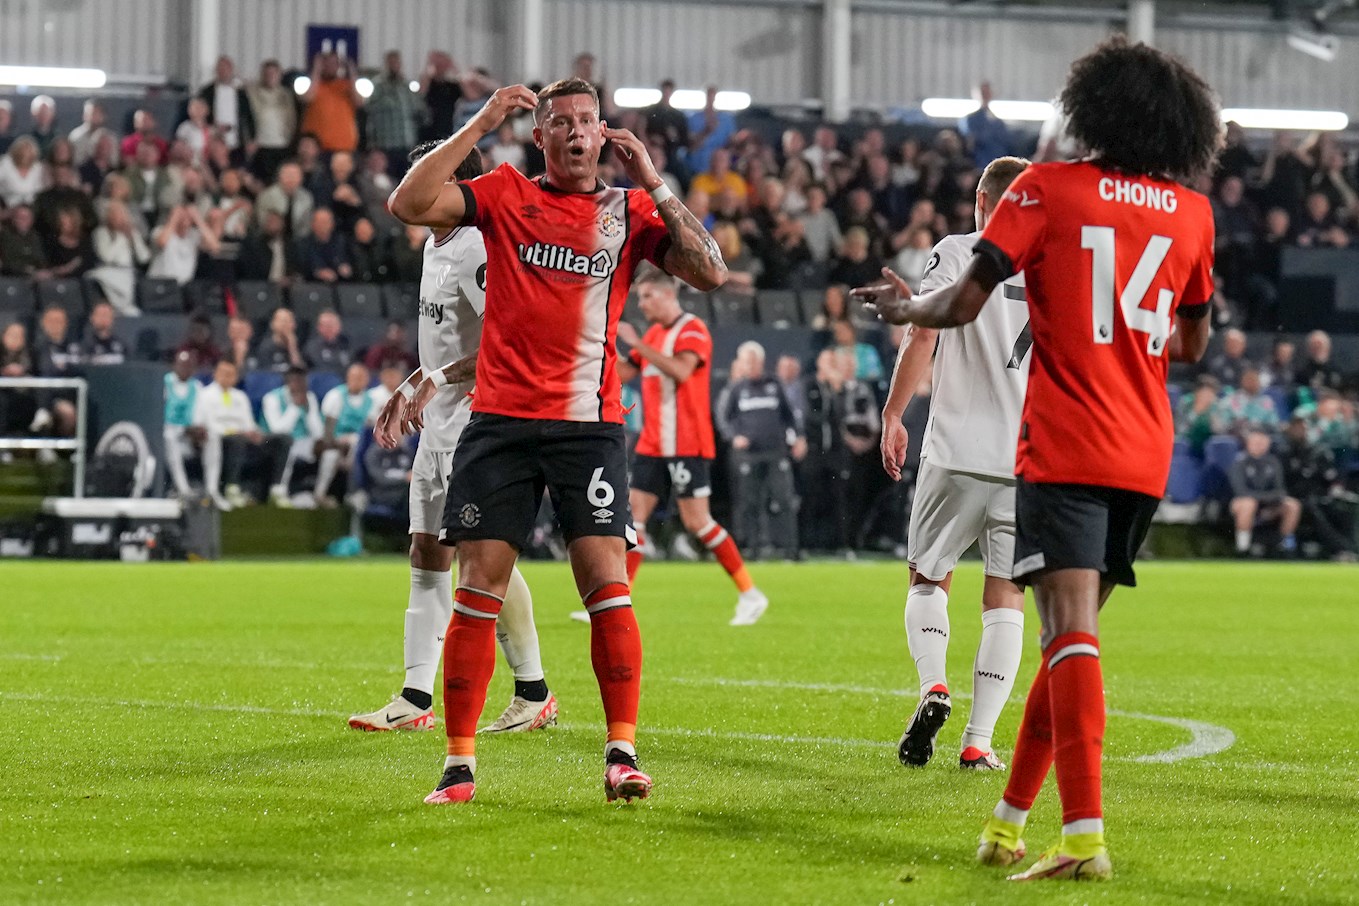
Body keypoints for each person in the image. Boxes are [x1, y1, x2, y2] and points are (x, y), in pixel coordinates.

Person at [852, 38, 1221, 881]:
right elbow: (1193, 341)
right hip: (1143, 447)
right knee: (1068, 644)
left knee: (1069, 640)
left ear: (1093, 110)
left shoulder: (1043, 189)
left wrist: (906, 306)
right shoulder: (1191, 213)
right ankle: (1008, 823)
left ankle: (1083, 835)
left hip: (1063, 442)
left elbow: (962, 301)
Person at [388, 77, 726, 805]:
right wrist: (481, 121)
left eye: (587, 122)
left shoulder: (628, 209)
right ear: (540, 135)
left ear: (604, 135)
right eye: (561, 122)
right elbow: (409, 204)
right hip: (501, 424)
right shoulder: (507, 193)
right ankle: (457, 765)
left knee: (606, 588)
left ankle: (622, 753)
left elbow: (710, 271)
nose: (576, 132)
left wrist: (656, 182)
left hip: (587, 427)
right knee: (477, 587)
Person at [356, 141, 557, 737]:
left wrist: (438, 379)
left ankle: (533, 691)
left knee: (479, 559)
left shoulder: (476, 249)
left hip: (476, 423)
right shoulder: (432, 244)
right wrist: (410, 383)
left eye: (431, 180)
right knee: (426, 553)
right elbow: (441, 343)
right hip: (435, 421)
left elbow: (506, 340)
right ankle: (416, 696)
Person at [877, 155, 1031, 773]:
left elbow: (924, 333)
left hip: (958, 451)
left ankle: (933, 686)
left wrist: (893, 413)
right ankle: (980, 740)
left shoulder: (960, 250)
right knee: (1007, 596)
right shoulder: (1055, 265)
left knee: (928, 577)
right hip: (1026, 458)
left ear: (982, 203)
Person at [612, 267, 769, 625]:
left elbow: (681, 371)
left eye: (647, 295)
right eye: (639, 297)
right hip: (653, 441)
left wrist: (636, 343)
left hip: (686, 442)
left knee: (698, 521)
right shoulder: (653, 334)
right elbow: (625, 373)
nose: (642, 303)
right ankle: (618, 601)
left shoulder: (693, 330)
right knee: (634, 517)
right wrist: (603, 350)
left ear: (669, 295)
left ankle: (750, 593)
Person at [720, 341, 805, 560]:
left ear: (760, 361)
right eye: (746, 361)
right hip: (749, 454)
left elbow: (789, 416)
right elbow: (725, 419)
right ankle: (752, 549)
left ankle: (790, 550)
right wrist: (734, 437)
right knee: (750, 502)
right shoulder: (738, 389)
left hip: (775, 452)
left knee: (784, 499)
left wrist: (798, 437)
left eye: (752, 360)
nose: (750, 365)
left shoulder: (775, 385)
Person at [190, 358, 264, 510]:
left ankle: (274, 490)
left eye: (231, 374)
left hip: (241, 435)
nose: (227, 377)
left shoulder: (240, 396)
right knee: (237, 440)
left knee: (279, 440)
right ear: (215, 374)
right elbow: (204, 422)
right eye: (224, 373)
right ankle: (232, 488)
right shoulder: (205, 395)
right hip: (218, 437)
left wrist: (253, 431)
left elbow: (248, 422)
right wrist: (234, 431)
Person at [1230, 428, 1301, 557]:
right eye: (1256, 442)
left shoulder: (1273, 462)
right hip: (1242, 504)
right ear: (1248, 443)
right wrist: (1262, 499)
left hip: (1269, 505)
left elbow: (1280, 490)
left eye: (1263, 442)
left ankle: (1285, 546)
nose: (1260, 445)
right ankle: (1243, 549)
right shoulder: (1239, 462)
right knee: (1248, 504)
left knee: (1292, 505)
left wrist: (1268, 501)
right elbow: (1241, 491)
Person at [258, 366, 323, 505]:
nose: (299, 385)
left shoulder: (310, 398)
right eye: (296, 381)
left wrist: (308, 411)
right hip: (274, 443)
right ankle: (279, 491)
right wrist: (294, 407)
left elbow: (318, 433)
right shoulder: (271, 398)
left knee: (326, 448)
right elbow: (278, 429)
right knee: (288, 445)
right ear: (288, 381)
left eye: (302, 381)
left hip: (303, 442)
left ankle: (319, 494)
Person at [314, 362, 373, 507]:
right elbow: (327, 429)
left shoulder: (371, 400)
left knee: (357, 446)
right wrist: (338, 442)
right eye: (353, 377)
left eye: (360, 377)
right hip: (334, 441)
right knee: (330, 456)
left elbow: (370, 427)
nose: (356, 381)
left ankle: (353, 494)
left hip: (357, 445)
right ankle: (320, 494)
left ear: (367, 380)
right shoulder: (335, 396)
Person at [163, 351, 200, 498]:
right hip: (166, 433)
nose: (185, 369)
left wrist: (197, 428)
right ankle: (183, 488)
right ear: (174, 366)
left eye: (189, 366)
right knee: (170, 437)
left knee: (211, 438)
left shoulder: (196, 386)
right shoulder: (164, 382)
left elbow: (199, 412)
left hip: (188, 436)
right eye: (182, 365)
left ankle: (212, 490)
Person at [78, 301, 128, 366]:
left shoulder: (121, 346)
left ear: (112, 319)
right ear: (92, 318)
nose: (103, 319)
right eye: (100, 315)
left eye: (106, 315)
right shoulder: (83, 346)